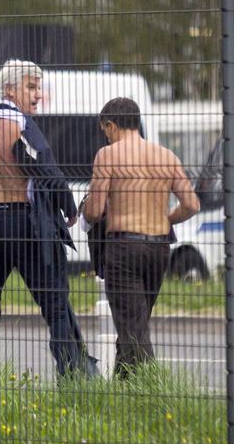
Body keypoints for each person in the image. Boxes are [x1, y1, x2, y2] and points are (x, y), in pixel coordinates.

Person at [0, 59, 98, 378]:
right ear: (9, 89)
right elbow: (46, 168)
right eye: (30, 87)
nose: (37, 94)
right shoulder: (22, 125)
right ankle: (72, 372)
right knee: (54, 302)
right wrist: (68, 205)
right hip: (26, 226)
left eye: (38, 87)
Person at [82, 97, 200, 378]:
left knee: (133, 327)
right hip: (159, 248)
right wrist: (165, 219)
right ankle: (124, 390)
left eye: (105, 130)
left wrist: (86, 206)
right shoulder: (166, 156)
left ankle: (152, 386)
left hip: (124, 246)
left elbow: (96, 211)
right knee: (134, 321)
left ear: (111, 125)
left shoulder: (107, 156)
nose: (106, 137)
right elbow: (192, 205)